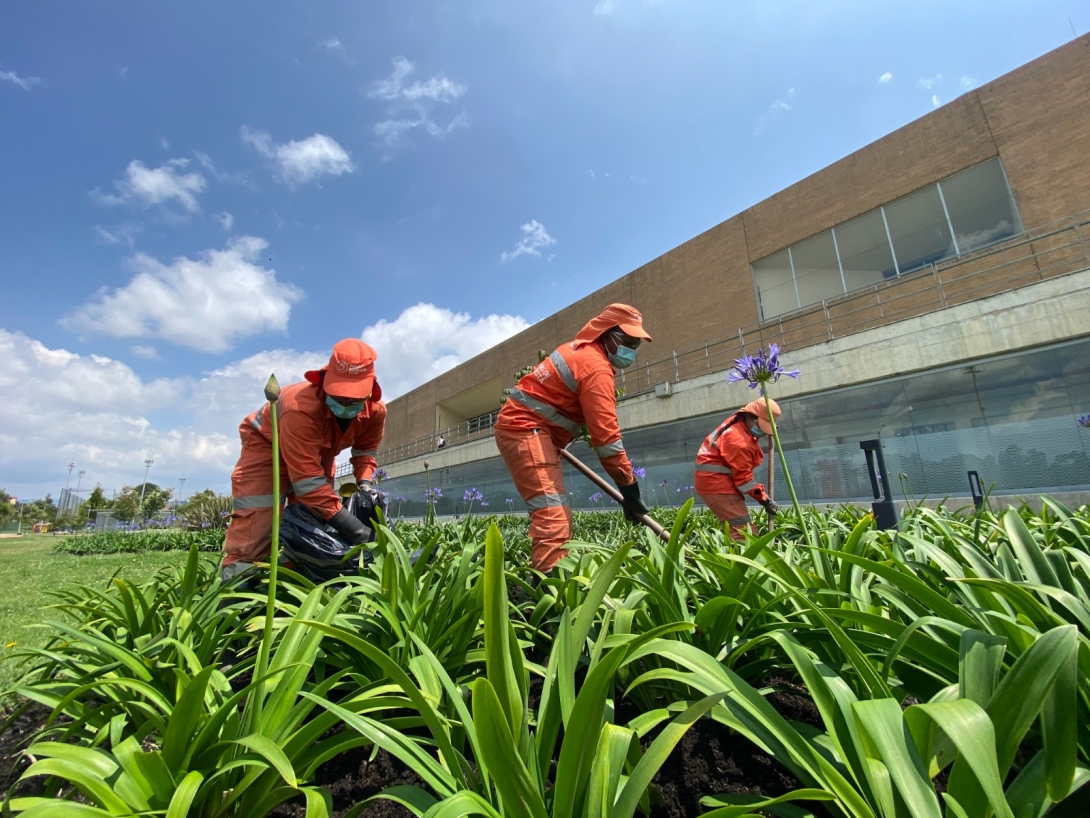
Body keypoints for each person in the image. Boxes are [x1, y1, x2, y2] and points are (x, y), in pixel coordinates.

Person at [495, 303, 652, 573]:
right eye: (627, 340)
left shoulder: (578, 350)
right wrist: (629, 489)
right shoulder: (595, 368)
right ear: (606, 334)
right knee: (552, 515)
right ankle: (548, 595)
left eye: (636, 344)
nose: (631, 350)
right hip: (525, 429)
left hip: (533, 430)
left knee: (555, 512)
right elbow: (606, 439)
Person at [221, 338, 387, 580]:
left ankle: (292, 582)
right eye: (339, 397)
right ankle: (237, 594)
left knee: (310, 523)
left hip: (317, 455)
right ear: (325, 381)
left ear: (370, 391)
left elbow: (364, 451)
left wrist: (365, 483)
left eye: (353, 400)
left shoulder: (376, 412)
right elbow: (307, 483)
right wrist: (356, 530)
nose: (344, 404)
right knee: (258, 523)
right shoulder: (299, 407)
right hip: (267, 448)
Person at [694, 397, 780, 541]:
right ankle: (741, 562)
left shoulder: (736, 422)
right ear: (751, 418)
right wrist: (765, 500)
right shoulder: (739, 441)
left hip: (711, 481)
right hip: (716, 484)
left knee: (739, 529)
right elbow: (744, 481)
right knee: (743, 533)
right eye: (762, 427)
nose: (763, 433)